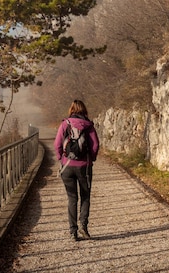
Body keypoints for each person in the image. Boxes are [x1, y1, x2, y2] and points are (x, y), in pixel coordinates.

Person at [53, 99, 99, 241]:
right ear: (84, 110)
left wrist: (61, 158)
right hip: (84, 167)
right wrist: (91, 159)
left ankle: (73, 232)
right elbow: (95, 145)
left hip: (67, 167)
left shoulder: (65, 124)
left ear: (71, 109)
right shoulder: (89, 125)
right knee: (85, 197)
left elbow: (57, 144)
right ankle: (83, 227)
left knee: (72, 198)